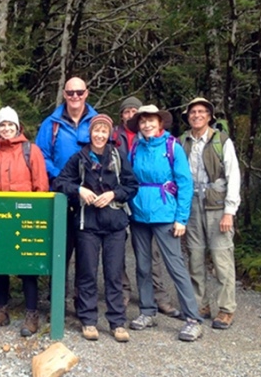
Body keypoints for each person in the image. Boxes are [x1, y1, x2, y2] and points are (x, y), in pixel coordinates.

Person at [54, 114, 138, 342]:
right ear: (90, 133)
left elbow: (131, 186)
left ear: (109, 134)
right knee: (87, 273)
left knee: (113, 274)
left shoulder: (118, 157)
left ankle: (117, 322)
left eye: (104, 131)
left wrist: (114, 193)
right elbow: (60, 182)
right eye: (96, 130)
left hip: (115, 224)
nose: (100, 135)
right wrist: (79, 190)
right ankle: (88, 320)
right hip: (86, 223)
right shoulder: (79, 158)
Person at [126, 105, 203, 342]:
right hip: (139, 214)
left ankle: (193, 319)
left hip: (166, 215)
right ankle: (147, 311)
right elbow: (129, 177)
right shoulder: (137, 147)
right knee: (142, 266)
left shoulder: (172, 147)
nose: (147, 125)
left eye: (151, 121)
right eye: (142, 121)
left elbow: (185, 183)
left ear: (160, 123)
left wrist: (181, 218)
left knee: (175, 266)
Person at [0, 106, 49, 337]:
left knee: (27, 265)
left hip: (26, 216)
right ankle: (1, 309)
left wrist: (39, 217)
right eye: (2, 125)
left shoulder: (31, 150)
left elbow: (41, 185)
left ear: (17, 126)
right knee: (0, 264)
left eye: (10, 124)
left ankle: (31, 312)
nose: (7, 129)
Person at [115, 96, 180, 317]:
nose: (131, 115)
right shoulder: (117, 137)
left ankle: (159, 296)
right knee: (124, 250)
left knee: (155, 255)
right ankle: (126, 293)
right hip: (128, 201)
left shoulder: (166, 143)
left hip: (155, 205)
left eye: (135, 111)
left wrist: (180, 214)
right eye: (127, 112)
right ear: (123, 116)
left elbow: (181, 179)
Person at [180, 97, 241, 329]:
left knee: (222, 258)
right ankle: (200, 304)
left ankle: (226, 309)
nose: (196, 115)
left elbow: (233, 176)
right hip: (192, 205)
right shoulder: (182, 141)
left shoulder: (221, 141)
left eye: (201, 112)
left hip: (217, 206)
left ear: (209, 116)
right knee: (195, 257)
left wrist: (230, 211)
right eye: (193, 112)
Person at [35, 77, 97, 291]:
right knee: (60, 251)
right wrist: (62, 177)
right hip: (61, 195)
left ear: (86, 93)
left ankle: (83, 305)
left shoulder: (97, 121)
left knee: (87, 255)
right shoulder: (51, 124)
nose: (75, 97)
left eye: (79, 92)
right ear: (64, 94)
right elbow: (41, 155)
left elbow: (107, 154)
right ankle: (57, 303)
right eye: (70, 93)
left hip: (90, 196)